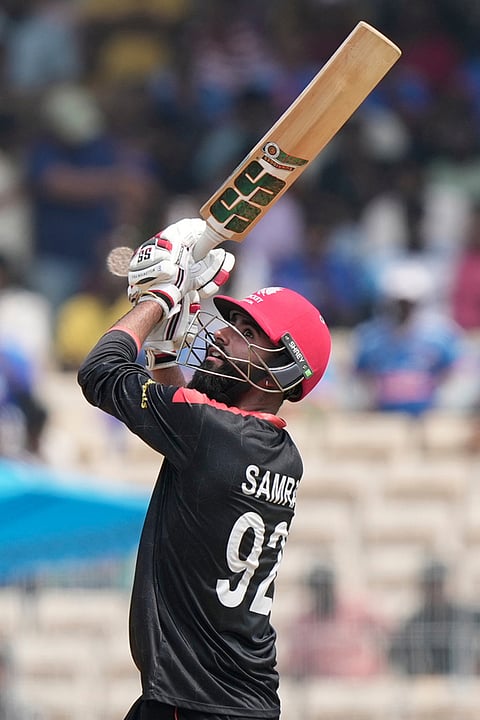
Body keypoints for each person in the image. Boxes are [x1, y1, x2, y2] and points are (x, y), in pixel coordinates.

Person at [77, 217, 331, 720]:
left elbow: (100, 372)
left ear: (282, 364)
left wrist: (160, 300)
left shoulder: (211, 433)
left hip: (194, 700)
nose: (221, 336)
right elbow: (187, 421)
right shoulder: (278, 451)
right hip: (229, 698)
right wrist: (165, 351)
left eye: (245, 333)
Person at [352, 259, 463, 416]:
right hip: (383, 418)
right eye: (399, 303)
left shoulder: (441, 336)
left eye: (409, 304)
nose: (404, 310)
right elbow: (359, 375)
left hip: (431, 415)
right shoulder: (370, 338)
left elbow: (454, 373)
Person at [284, 564, 388, 679]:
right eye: (318, 589)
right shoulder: (304, 624)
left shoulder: (356, 609)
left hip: (364, 682)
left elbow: (388, 632)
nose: (323, 593)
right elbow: (296, 665)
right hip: (325, 689)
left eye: (326, 588)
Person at [388, 560, 480, 676]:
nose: (435, 591)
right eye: (431, 586)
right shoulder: (414, 622)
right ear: (424, 588)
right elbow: (395, 653)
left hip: (463, 684)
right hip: (425, 686)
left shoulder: (465, 616)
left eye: (439, 585)